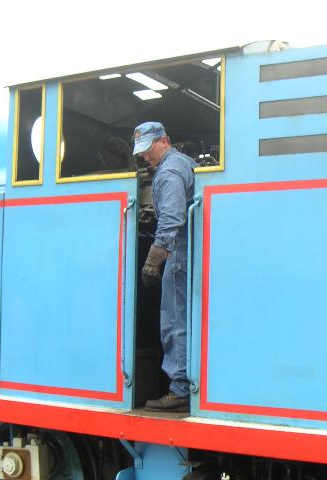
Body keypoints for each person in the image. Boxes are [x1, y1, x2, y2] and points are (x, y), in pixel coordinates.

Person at [132, 121, 196, 412]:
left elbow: (171, 218)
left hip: (177, 252)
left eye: (149, 149)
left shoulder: (169, 171)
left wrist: (153, 259)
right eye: (142, 152)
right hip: (184, 249)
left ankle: (179, 388)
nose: (146, 156)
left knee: (174, 319)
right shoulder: (183, 164)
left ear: (164, 141)